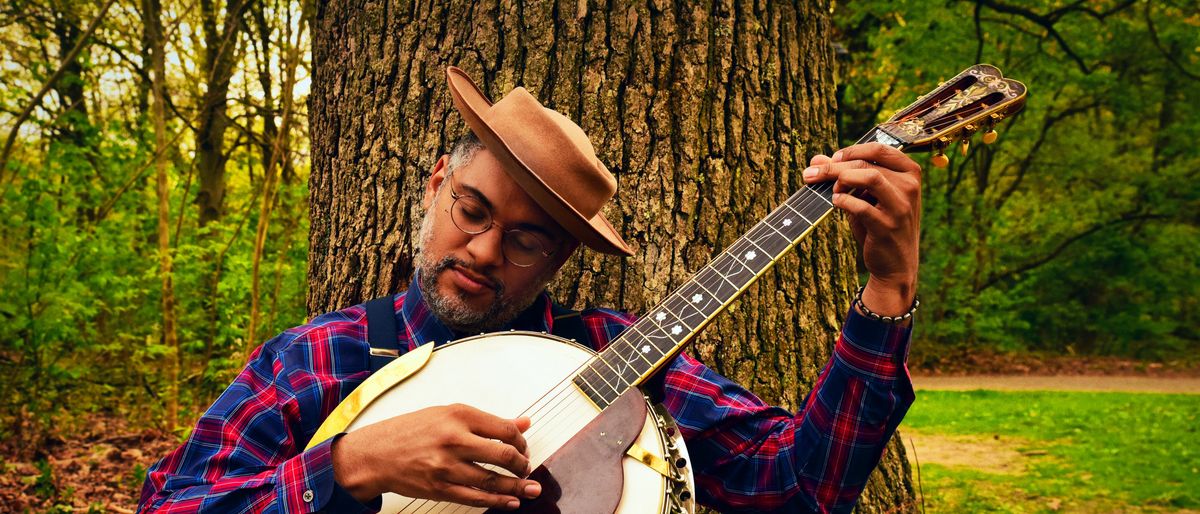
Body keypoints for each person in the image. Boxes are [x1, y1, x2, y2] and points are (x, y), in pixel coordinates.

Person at [138, 66, 920, 514]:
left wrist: (887, 290)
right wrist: (347, 464)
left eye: (526, 239)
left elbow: (799, 487)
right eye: (471, 210)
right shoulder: (318, 358)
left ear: (558, 260)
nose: (482, 250)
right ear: (438, 182)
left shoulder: (617, 355)